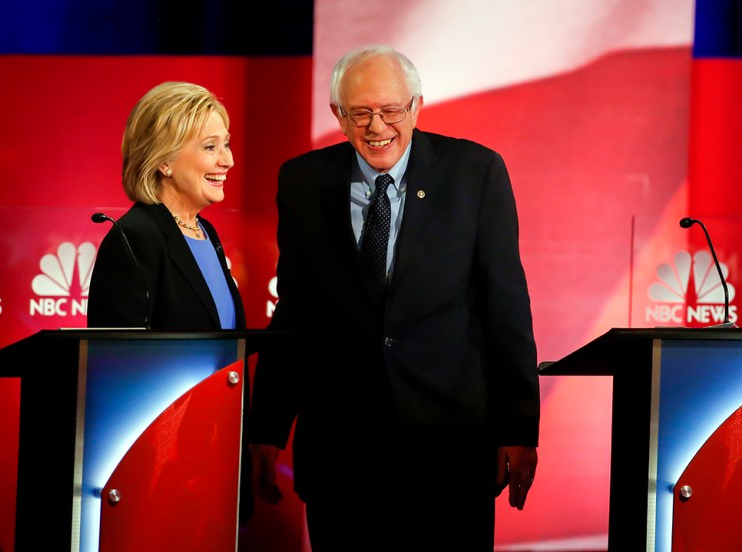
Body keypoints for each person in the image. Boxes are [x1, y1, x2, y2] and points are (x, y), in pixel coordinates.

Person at [248, 45, 540, 551]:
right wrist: (268, 426)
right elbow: (294, 314)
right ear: (338, 115)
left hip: (449, 451)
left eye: (390, 111)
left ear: (417, 106)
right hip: (342, 453)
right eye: (360, 112)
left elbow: (506, 308)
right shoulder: (303, 182)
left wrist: (519, 427)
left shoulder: (475, 173)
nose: (376, 126)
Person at [86, 81, 252, 522]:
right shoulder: (135, 237)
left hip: (214, 452)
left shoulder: (205, 233)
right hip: (161, 466)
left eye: (227, 145)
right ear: (163, 159)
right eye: (210, 146)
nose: (228, 160)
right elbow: (117, 371)